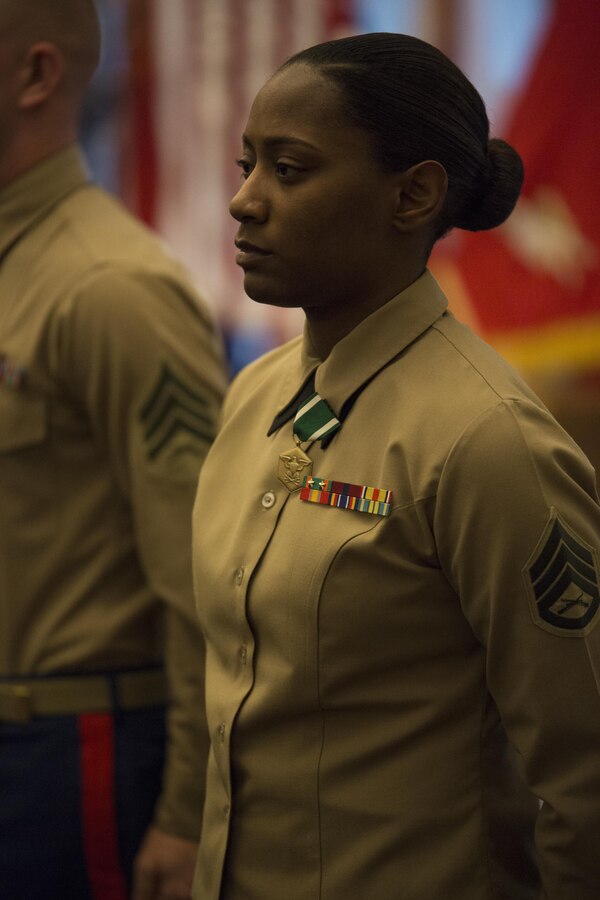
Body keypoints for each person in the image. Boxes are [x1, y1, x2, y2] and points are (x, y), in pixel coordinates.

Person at [191, 32, 600, 900]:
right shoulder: (254, 394)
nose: (243, 202)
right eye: (246, 164)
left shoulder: (488, 440)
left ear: (413, 194)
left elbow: (582, 770)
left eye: (290, 170)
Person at [0, 2, 227, 898]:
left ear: (35, 76)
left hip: (73, 759)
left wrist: (185, 809)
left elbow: (203, 579)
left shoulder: (113, 290)